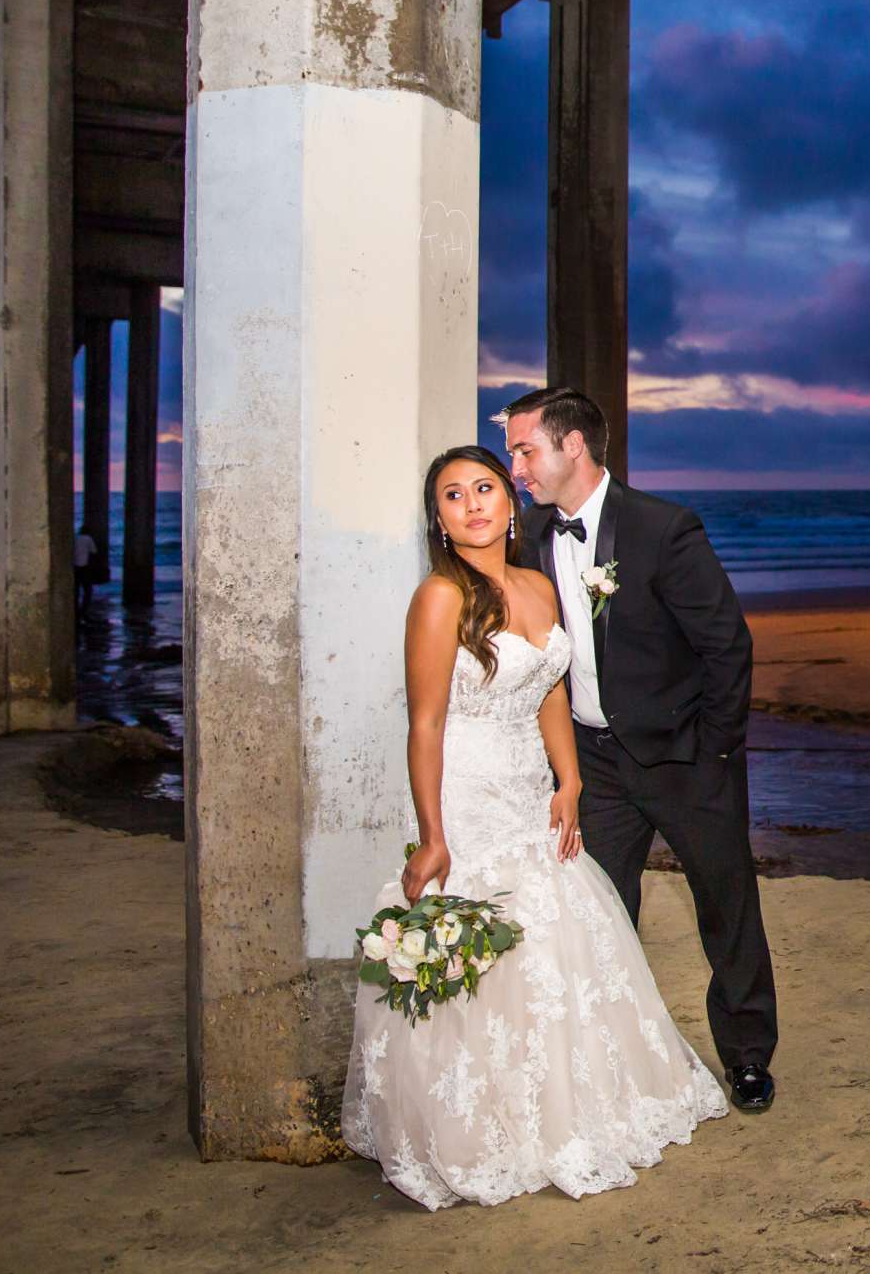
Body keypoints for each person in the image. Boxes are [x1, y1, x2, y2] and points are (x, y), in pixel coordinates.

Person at [341, 446, 729, 1210]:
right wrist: (433, 834)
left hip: (530, 788)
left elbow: (551, 687)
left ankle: (568, 1108)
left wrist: (572, 777)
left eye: (484, 487)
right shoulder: (439, 599)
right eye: (453, 495)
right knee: (481, 952)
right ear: (440, 520)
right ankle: (483, 1127)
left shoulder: (538, 585)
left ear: (509, 503)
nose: (473, 503)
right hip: (468, 791)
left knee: (558, 940)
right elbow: (424, 723)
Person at [499, 386, 779, 1116]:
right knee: (597, 909)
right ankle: (609, 1058)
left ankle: (748, 1056)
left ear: (573, 447)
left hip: (686, 757)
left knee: (726, 904)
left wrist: (715, 749)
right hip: (595, 765)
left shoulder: (662, 529)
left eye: (525, 448)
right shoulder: (528, 537)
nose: (516, 464)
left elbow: (727, 645)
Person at [73, 528, 100, 608]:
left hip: (75, 566)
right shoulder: (88, 538)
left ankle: (75, 605)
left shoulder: (76, 538)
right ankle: (85, 607)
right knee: (87, 589)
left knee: (76, 587)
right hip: (84, 566)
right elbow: (94, 551)